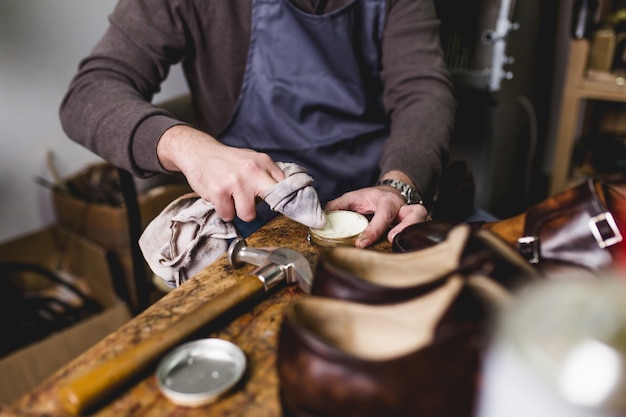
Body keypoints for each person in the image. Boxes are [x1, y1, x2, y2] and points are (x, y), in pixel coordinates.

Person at [59, 0, 456, 248]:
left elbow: (422, 91)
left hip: (372, 208)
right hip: (257, 223)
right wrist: (187, 146)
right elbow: (90, 92)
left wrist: (400, 184)